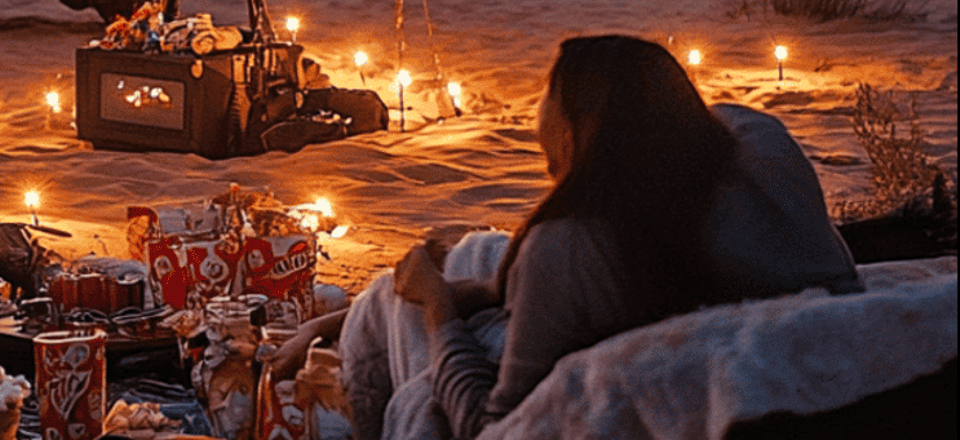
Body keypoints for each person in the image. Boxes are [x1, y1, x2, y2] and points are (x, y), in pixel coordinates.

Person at [270, 35, 862, 440]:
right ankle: (333, 326)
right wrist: (489, 290)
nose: (539, 126)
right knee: (477, 256)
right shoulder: (758, 148)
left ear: (583, 133)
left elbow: (491, 426)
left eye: (554, 157)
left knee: (396, 317)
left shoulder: (573, 246)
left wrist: (439, 307)